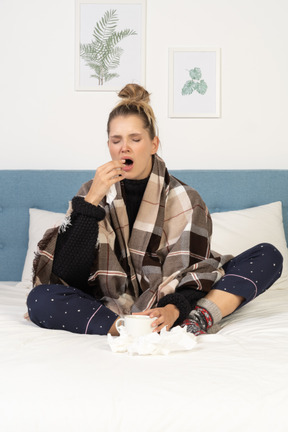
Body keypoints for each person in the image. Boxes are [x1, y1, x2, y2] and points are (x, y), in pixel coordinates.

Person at [26, 84, 283, 337]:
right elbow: (68, 273)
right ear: (109, 146)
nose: (124, 147)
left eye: (135, 139)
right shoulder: (90, 194)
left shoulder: (186, 198)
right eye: (116, 140)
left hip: (176, 298)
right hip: (107, 301)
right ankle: (125, 328)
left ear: (153, 144)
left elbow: (195, 271)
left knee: (268, 255)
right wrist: (91, 202)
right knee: (39, 299)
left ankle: (197, 318)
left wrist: (173, 308)